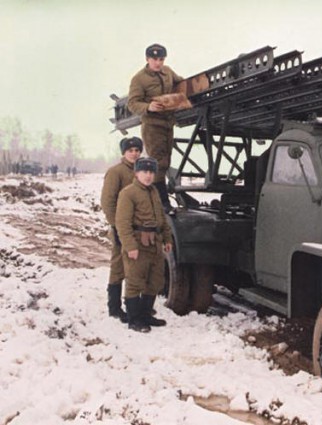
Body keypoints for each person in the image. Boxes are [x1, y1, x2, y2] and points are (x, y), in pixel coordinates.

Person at [116, 157, 173, 332]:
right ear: (137, 173)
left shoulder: (154, 191)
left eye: (151, 172)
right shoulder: (128, 193)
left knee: (154, 281)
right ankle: (134, 320)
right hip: (138, 244)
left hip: (155, 244)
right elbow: (122, 223)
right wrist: (130, 246)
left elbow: (161, 218)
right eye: (144, 172)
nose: (148, 176)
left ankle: (146, 314)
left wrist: (167, 238)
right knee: (135, 281)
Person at [127, 43, 184, 211]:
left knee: (166, 161)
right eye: (154, 59)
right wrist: (148, 107)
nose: (158, 63)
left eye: (161, 59)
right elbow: (132, 103)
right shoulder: (139, 79)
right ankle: (162, 203)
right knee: (158, 162)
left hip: (168, 123)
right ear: (147, 59)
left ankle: (160, 197)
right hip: (152, 125)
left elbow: (180, 82)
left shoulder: (168, 72)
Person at [100, 137, 143, 322]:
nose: (134, 153)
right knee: (119, 266)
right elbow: (107, 202)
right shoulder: (115, 172)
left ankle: (134, 305)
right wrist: (116, 227)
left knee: (137, 267)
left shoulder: (142, 172)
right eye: (130, 150)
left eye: (137, 150)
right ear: (123, 152)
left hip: (139, 228)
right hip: (122, 227)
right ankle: (115, 307)